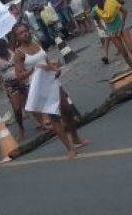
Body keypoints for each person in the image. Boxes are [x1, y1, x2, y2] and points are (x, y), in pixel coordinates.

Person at [13, 22, 89, 159]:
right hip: (39, 87)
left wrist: (55, 68)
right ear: (17, 37)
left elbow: (47, 62)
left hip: (52, 81)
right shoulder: (18, 53)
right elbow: (18, 76)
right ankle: (69, 147)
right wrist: (32, 70)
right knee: (54, 117)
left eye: (26, 31)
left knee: (67, 110)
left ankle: (76, 139)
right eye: (21, 33)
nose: (24, 34)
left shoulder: (37, 44)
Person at [0, 38, 31, 140]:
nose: (1, 50)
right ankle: (21, 128)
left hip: (21, 78)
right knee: (17, 108)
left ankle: (43, 121)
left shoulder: (12, 50)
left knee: (30, 101)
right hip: (10, 84)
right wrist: (1, 84)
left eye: (2, 48)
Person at [91, 0, 132, 67]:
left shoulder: (112, 2)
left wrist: (122, 26)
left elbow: (125, 11)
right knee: (124, 53)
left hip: (122, 28)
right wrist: (106, 31)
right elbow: (97, 22)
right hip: (112, 33)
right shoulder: (95, 10)